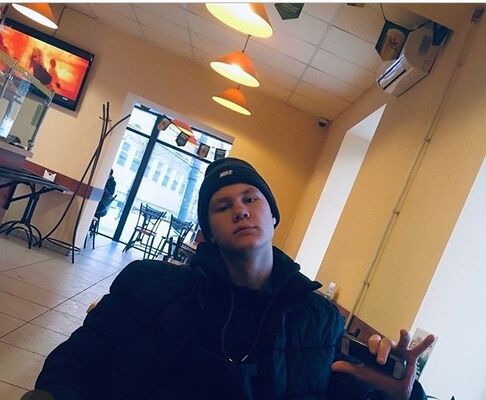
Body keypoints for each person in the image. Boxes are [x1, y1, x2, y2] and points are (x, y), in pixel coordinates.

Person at [34, 157, 435, 399]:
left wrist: (401, 394)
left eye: (250, 199)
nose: (240, 211)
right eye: (222, 206)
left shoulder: (319, 321)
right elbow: (72, 365)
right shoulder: (147, 286)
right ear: (207, 232)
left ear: (272, 215)